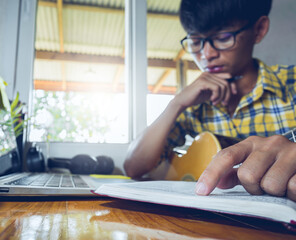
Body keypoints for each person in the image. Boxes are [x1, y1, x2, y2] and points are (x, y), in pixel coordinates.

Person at [123, 0, 296, 201]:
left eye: (222, 38)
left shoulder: (291, 84)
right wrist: (176, 103)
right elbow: (133, 167)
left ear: (259, 29)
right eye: (196, 42)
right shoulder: (194, 107)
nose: (207, 54)